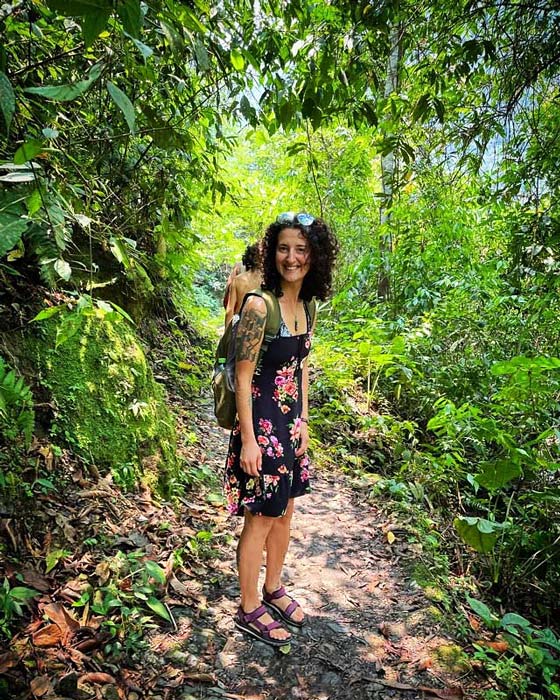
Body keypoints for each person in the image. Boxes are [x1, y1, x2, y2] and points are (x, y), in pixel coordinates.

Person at [223, 211, 338, 646]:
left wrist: (305, 418)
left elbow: (302, 366)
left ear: (315, 257)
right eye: (284, 248)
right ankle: (248, 605)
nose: (292, 258)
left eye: (301, 249)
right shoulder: (258, 305)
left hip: (290, 424)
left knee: (285, 511)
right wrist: (249, 441)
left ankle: (273, 588)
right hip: (262, 422)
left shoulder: (307, 304)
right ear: (273, 254)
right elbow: (245, 378)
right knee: (260, 517)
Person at [224, 243, 262, 328]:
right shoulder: (267, 281)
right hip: (260, 325)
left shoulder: (237, 280)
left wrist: (226, 335)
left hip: (239, 324)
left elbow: (229, 311)